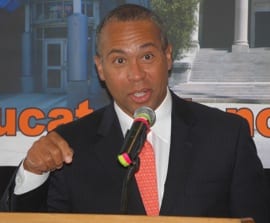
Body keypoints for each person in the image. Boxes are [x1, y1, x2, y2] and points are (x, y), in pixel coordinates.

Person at [0, 3, 269, 223]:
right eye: (119, 60)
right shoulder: (70, 145)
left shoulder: (226, 135)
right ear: (100, 68)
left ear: (168, 56)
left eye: (148, 57)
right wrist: (32, 171)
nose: (137, 74)